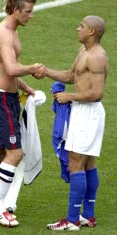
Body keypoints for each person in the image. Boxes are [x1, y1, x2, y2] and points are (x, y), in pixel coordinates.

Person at [0, 0, 46, 227]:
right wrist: (34, 68)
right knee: (15, 153)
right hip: (0, 102)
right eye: (28, 11)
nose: (31, 15)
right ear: (16, 10)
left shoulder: (12, 30)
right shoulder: (5, 34)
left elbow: (8, 72)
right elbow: (10, 68)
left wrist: (26, 89)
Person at [36, 15, 108, 231]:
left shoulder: (97, 57)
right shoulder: (83, 51)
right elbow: (71, 76)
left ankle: (72, 220)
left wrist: (69, 97)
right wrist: (46, 71)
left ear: (92, 32)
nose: (78, 28)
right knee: (88, 163)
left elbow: (97, 93)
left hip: (87, 113)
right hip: (84, 113)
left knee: (77, 163)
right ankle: (88, 216)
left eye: (82, 26)